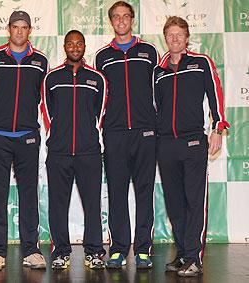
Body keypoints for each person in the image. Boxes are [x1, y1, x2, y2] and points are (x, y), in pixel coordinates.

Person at [154, 16, 230, 277]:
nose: (174, 39)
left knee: (194, 201)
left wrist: (218, 127)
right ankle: (184, 253)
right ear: (166, 39)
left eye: (179, 34)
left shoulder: (201, 63)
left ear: (187, 38)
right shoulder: (159, 71)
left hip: (193, 141)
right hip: (165, 144)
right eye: (170, 35)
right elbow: (156, 107)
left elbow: (215, 95)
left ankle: (195, 258)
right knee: (174, 203)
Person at [94, 1, 159, 268]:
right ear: (111, 22)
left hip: (145, 131)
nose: (121, 21)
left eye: (125, 16)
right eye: (116, 17)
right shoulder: (102, 56)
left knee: (144, 192)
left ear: (132, 19)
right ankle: (119, 249)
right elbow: (98, 99)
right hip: (115, 133)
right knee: (117, 192)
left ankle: (143, 249)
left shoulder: (149, 51)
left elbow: (160, 91)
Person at [0, 11, 48, 271]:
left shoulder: (41, 61)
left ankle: (31, 250)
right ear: (8, 29)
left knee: (28, 195)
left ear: (30, 30)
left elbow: (44, 100)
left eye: (24, 27)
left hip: (27, 137)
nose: (20, 32)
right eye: (15, 27)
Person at [41, 30, 108, 270]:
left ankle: (94, 251)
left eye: (79, 43)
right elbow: (48, 114)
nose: (75, 47)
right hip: (58, 152)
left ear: (84, 46)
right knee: (58, 204)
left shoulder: (97, 78)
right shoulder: (52, 78)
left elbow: (100, 114)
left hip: (88, 151)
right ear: (65, 47)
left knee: (92, 204)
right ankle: (61, 251)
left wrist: (89, 137)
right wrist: (57, 138)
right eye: (71, 43)